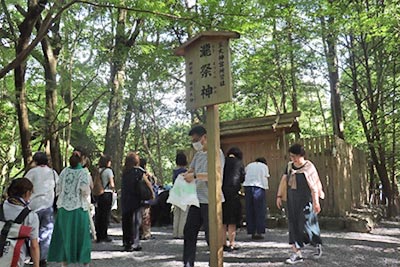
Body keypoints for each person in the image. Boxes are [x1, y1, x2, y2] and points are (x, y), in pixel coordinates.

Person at [183, 125, 225, 267]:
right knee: (189, 231)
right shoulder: (198, 155)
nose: (195, 143)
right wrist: (185, 175)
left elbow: (215, 175)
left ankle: (214, 263)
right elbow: (191, 170)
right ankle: (188, 263)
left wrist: (194, 176)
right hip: (196, 199)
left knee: (211, 236)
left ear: (205, 138)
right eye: (192, 140)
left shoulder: (216, 153)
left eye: (196, 139)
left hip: (211, 200)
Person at [276, 143, 324, 264]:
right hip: (292, 200)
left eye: (295, 156)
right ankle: (297, 253)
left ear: (301, 155)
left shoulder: (309, 167)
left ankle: (316, 243)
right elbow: (283, 180)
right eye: (291, 156)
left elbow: (314, 187)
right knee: (293, 225)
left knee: (308, 224)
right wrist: (279, 196)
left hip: (306, 201)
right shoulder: (289, 166)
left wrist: (316, 202)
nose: (293, 159)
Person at [47, 152, 91, 266]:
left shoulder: (64, 172)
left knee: (64, 235)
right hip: (78, 208)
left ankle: (64, 263)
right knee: (82, 235)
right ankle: (84, 262)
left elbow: (58, 188)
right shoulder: (83, 172)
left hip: (63, 207)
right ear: (81, 160)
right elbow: (85, 191)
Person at [24, 152, 59, 267]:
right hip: (47, 206)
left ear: (35, 161)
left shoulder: (32, 172)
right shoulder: (53, 173)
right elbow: (58, 188)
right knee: (46, 232)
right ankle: (42, 258)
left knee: (31, 232)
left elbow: (24, 186)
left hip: (33, 206)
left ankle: (33, 256)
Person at [2, 178, 40, 267]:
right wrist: (36, 265)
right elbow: (34, 246)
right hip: (16, 260)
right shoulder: (31, 216)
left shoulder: (1, 208)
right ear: (27, 193)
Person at [121, 152, 153, 252]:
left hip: (126, 199)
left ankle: (127, 242)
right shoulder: (139, 171)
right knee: (135, 221)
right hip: (136, 199)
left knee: (126, 221)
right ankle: (135, 242)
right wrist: (152, 193)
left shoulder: (124, 171)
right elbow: (147, 183)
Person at [222, 147, 245, 251]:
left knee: (222, 220)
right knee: (232, 221)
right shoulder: (239, 163)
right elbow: (242, 178)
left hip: (221, 193)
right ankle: (232, 243)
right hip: (234, 193)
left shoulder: (223, 161)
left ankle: (223, 243)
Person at [243, 157, 270, 240]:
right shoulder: (264, 166)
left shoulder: (249, 165)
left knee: (249, 209)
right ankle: (259, 231)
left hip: (248, 186)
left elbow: (244, 175)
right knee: (260, 210)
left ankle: (252, 231)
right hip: (259, 187)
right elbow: (266, 176)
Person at [95, 154, 115, 242]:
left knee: (99, 214)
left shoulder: (98, 170)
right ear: (107, 162)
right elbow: (112, 184)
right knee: (106, 215)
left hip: (99, 193)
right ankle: (104, 235)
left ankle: (98, 234)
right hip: (107, 193)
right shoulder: (108, 171)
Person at [139, 158, 157, 240]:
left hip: (138, 197)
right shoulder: (145, 174)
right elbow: (151, 183)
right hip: (146, 197)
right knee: (146, 215)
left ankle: (140, 232)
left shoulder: (135, 172)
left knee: (140, 215)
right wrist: (152, 193)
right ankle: (146, 233)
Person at [172, 152, 188, 239]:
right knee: (184, 214)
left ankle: (175, 232)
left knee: (176, 214)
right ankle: (181, 232)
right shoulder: (186, 171)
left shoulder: (175, 171)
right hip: (184, 194)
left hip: (175, 193)